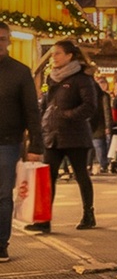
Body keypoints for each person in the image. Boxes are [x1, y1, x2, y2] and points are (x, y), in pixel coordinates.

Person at [26, 40, 97, 232]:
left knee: (81, 175)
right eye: (52, 54)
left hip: (75, 136)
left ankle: (88, 214)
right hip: (53, 135)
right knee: (48, 178)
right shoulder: (52, 78)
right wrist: (42, 121)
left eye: (57, 53)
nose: (54, 57)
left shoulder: (82, 79)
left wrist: (67, 115)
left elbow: (90, 106)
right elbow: (47, 104)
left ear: (69, 56)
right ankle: (43, 221)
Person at [0, 22, 44, 261]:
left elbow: (31, 112)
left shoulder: (19, 72)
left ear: (9, 41)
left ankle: (1, 244)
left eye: (2, 39)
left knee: (3, 195)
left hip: (7, 143)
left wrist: (35, 145)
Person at [89, 75, 113, 174]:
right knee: (98, 145)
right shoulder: (102, 96)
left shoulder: (103, 96)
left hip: (100, 125)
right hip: (97, 124)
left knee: (99, 145)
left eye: (103, 82)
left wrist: (108, 126)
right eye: (100, 83)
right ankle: (102, 165)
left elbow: (107, 112)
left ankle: (102, 165)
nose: (102, 85)